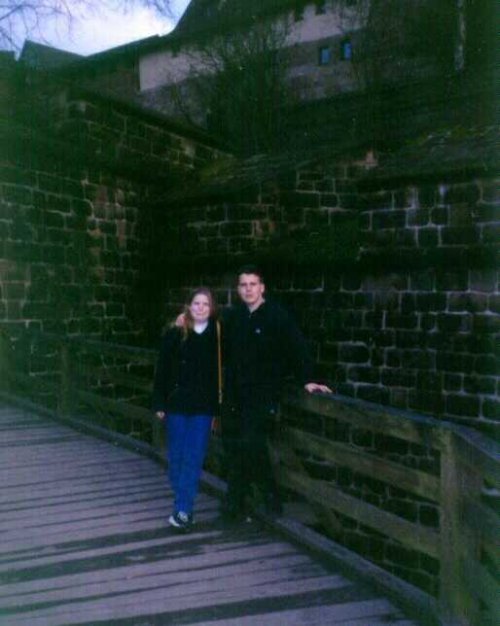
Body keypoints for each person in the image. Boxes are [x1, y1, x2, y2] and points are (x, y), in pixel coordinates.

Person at [221, 265, 331, 522]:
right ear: (238, 289)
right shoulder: (234, 317)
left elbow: (296, 347)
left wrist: (308, 379)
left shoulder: (276, 316)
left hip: (263, 395)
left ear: (262, 288)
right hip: (236, 396)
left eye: (253, 284)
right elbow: (216, 346)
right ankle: (261, 500)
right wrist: (184, 322)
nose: (248, 289)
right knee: (238, 446)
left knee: (251, 442)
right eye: (243, 285)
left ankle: (241, 503)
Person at [152, 287, 220, 532]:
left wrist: (218, 410)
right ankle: (182, 498)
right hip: (177, 405)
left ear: (212, 309)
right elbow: (162, 369)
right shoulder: (175, 333)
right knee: (177, 459)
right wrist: (159, 402)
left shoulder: (218, 336)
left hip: (203, 408)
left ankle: (183, 509)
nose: (200, 308)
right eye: (196, 303)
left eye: (205, 304)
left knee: (193, 457)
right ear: (189, 306)